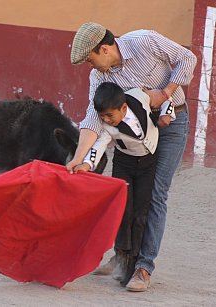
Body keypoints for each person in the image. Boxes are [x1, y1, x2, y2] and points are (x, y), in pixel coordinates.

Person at [67, 22, 197, 291]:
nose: (91, 67)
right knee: (128, 196)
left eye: (91, 60)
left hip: (171, 123)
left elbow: (187, 58)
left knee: (156, 194)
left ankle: (144, 267)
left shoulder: (144, 41)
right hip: (134, 138)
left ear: (104, 48)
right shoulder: (99, 78)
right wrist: (79, 156)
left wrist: (165, 93)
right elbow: (93, 118)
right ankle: (124, 255)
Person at [74, 82, 175, 286]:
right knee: (124, 212)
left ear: (123, 108)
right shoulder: (107, 127)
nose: (105, 120)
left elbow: (165, 98)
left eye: (109, 115)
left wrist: (167, 114)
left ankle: (134, 262)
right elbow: (99, 145)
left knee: (140, 214)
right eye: (102, 116)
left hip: (148, 164)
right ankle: (121, 256)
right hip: (124, 165)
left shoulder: (139, 95)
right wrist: (86, 164)